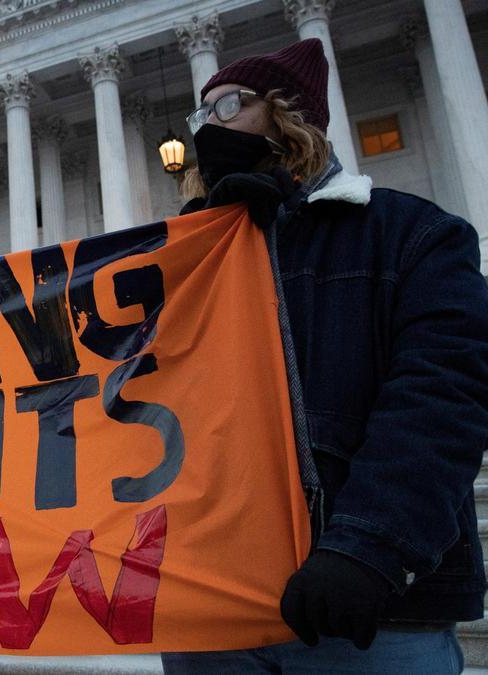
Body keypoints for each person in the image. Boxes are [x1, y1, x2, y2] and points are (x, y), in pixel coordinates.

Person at [161, 38, 488, 673]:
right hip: (211, 607)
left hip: (366, 609)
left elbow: (442, 399)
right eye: (201, 117)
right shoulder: (185, 268)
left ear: (292, 115)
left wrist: (370, 548)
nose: (208, 128)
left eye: (230, 103)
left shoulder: (413, 235)